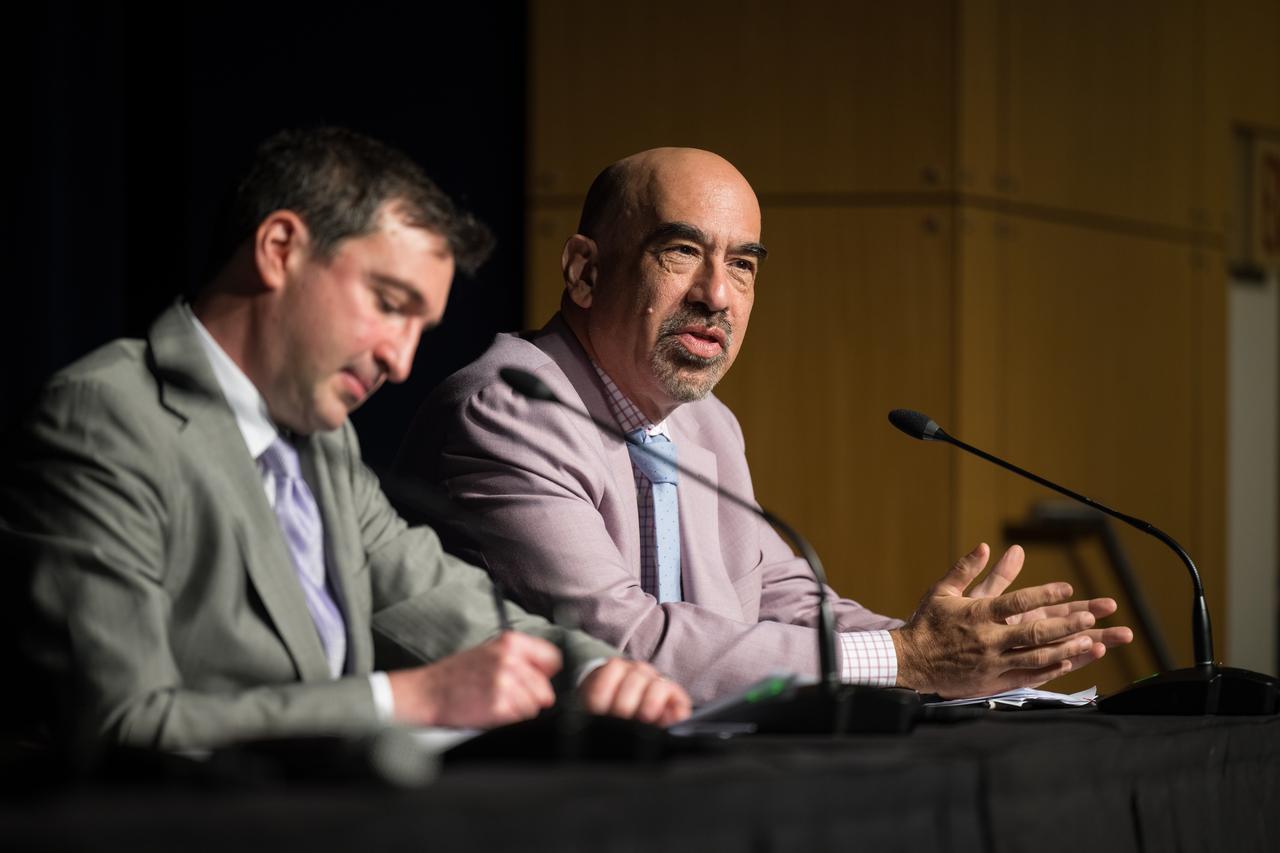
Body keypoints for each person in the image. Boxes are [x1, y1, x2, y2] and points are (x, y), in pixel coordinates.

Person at [0, 128, 689, 751]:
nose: (401, 361)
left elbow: (445, 600)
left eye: (421, 328)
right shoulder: (105, 416)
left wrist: (595, 673)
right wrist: (404, 699)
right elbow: (122, 721)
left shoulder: (322, 446)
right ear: (280, 250)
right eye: (391, 305)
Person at [399, 147, 1133, 705]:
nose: (717, 294)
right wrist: (909, 660)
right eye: (682, 250)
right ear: (586, 272)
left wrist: (967, 652)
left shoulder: (706, 425)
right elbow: (620, 643)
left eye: (743, 264)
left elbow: (788, 598)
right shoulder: (506, 410)